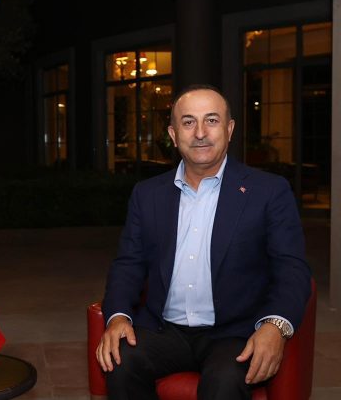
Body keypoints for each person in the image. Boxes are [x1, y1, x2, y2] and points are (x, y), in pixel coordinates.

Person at [96, 84, 311, 400]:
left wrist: (274, 326)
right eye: (188, 122)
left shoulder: (268, 191)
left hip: (234, 333)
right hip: (164, 329)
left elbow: (292, 269)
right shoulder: (147, 194)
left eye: (211, 120)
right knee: (121, 363)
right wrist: (117, 317)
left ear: (229, 129)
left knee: (224, 382)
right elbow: (129, 264)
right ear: (173, 134)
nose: (200, 133)